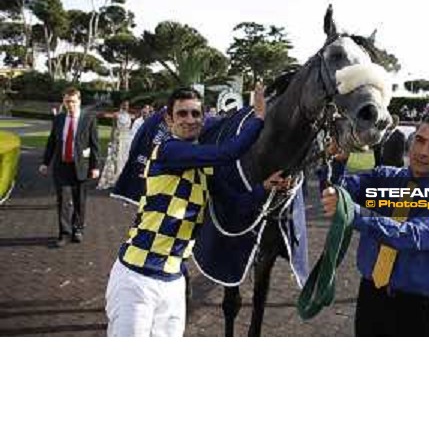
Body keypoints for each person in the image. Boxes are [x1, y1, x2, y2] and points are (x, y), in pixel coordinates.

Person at [104, 84, 287, 337]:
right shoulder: (168, 150)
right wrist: (258, 118)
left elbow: (236, 204)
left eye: (196, 114)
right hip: (137, 280)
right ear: (168, 120)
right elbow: (228, 152)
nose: (190, 120)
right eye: (182, 114)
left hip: (174, 282)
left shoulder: (204, 169)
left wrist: (265, 188)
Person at [320, 115, 429, 337]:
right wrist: (337, 162)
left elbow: (414, 236)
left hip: (415, 308)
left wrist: (356, 214)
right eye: (419, 140)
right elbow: (339, 189)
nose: (423, 151)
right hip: (370, 295)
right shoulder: (384, 176)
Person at [39, 87, 100, 247]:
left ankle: (78, 229)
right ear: (64, 102)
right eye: (67, 101)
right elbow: (52, 142)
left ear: (79, 101)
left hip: (81, 167)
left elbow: (95, 145)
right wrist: (45, 162)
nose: (70, 104)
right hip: (62, 167)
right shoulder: (59, 119)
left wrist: (95, 166)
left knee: (80, 200)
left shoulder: (89, 119)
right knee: (63, 201)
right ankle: (64, 233)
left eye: (72, 101)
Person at [97, 100, 133, 190]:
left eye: (127, 105)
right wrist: (111, 139)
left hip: (126, 139)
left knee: (125, 158)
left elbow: (129, 129)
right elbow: (113, 128)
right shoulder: (116, 115)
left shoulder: (129, 116)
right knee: (115, 159)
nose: (126, 107)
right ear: (121, 105)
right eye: (124, 105)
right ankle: (113, 178)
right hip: (118, 138)